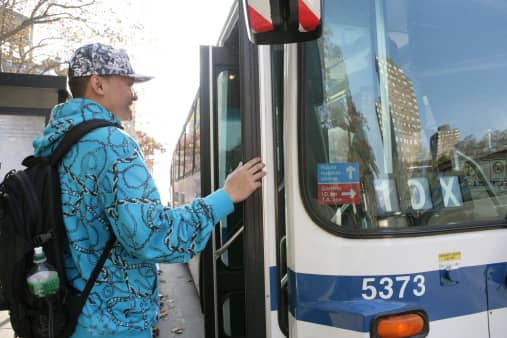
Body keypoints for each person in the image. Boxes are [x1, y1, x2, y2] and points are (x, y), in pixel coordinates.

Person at [32, 43, 266, 338]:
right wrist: (227, 196)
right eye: (128, 83)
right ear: (98, 83)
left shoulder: (57, 143)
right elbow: (152, 236)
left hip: (73, 316)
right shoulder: (110, 144)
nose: (134, 93)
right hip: (115, 326)